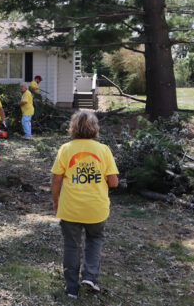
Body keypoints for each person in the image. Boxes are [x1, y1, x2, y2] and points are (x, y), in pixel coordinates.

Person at [50, 110, 119, 299]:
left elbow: (55, 180)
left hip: (70, 209)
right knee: (94, 240)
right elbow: (114, 182)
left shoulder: (65, 149)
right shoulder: (104, 150)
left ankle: (71, 288)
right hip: (96, 209)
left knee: (72, 246)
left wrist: (56, 201)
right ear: (95, 128)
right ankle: (90, 277)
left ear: (73, 128)